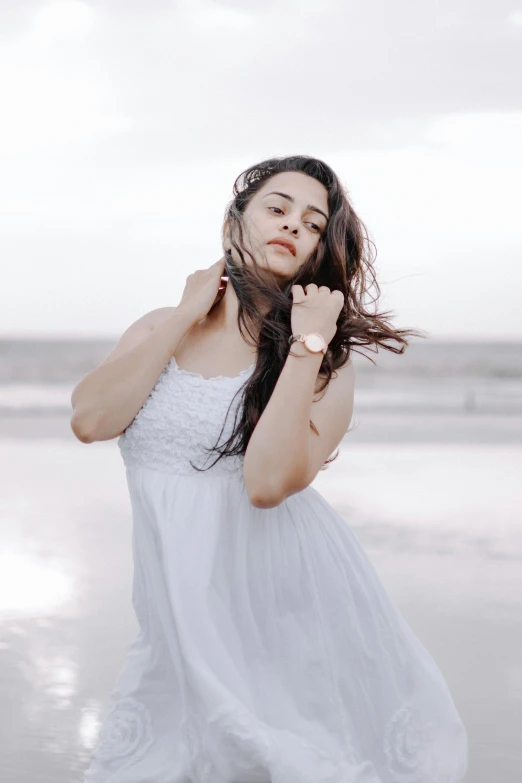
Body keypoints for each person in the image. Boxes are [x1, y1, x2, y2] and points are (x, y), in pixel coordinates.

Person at [71, 155, 469, 782]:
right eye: (277, 209)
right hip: (175, 618)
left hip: (278, 607)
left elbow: (264, 484)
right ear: (237, 222)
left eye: (314, 224)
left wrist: (308, 344)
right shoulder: (159, 326)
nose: (293, 227)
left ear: (318, 253)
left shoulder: (323, 360)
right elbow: (91, 420)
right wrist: (182, 315)